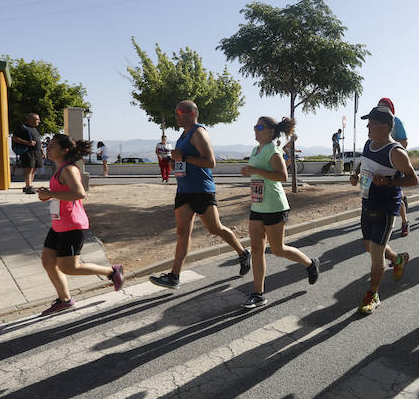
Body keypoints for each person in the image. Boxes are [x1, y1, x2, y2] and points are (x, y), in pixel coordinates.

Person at [149, 100, 251, 289]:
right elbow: (182, 160)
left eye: (180, 111)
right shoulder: (182, 135)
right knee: (182, 233)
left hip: (201, 190)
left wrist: (184, 157)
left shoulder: (199, 133)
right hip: (184, 191)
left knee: (215, 228)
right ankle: (174, 276)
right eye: (175, 112)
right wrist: (174, 163)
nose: (177, 115)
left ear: (193, 113)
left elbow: (211, 162)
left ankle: (243, 252)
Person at [37, 134, 124, 315]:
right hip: (59, 224)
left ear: (64, 150)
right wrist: (48, 195)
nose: (48, 148)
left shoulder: (68, 170)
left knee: (69, 267)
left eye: (52, 146)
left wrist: (51, 193)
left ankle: (111, 272)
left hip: (72, 225)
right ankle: (64, 299)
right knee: (48, 261)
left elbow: (79, 193)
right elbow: (61, 195)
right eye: (49, 145)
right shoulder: (59, 169)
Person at [240, 117, 319, 308]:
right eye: (254, 126)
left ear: (270, 131)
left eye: (259, 127)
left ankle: (310, 263)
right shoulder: (255, 150)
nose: (255, 130)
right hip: (257, 206)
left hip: (275, 206)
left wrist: (254, 169)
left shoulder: (272, 150)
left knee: (278, 249)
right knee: (257, 250)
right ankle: (258, 294)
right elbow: (258, 174)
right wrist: (252, 171)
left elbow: (282, 176)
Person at [350, 105, 418, 315]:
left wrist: (388, 181)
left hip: (386, 207)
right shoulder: (369, 144)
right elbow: (364, 164)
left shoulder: (396, 152)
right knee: (369, 246)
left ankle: (373, 294)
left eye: (370, 124)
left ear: (384, 127)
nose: (367, 127)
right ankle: (398, 259)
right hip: (367, 202)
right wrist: (355, 175)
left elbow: (413, 179)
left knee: (376, 254)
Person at [378, 98, 411, 236]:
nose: (382, 108)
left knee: (395, 195)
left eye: (385, 106)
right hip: (379, 163)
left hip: (395, 163)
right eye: (379, 106)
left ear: (391, 108)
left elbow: (404, 142)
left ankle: (404, 222)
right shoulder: (376, 121)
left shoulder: (396, 121)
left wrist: (391, 151)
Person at [12, 113, 43, 194]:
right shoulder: (22, 128)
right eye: (37, 119)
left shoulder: (35, 129)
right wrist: (27, 142)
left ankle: (29, 186)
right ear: (30, 119)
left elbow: (38, 140)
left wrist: (42, 151)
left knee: (34, 169)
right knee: (28, 169)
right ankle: (28, 186)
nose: (39, 121)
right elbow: (14, 138)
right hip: (28, 152)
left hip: (37, 152)